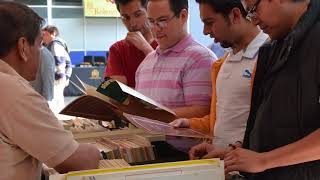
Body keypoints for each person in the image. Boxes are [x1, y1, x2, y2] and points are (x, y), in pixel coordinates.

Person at [192, 0, 320, 179]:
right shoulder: (274, 46)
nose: (253, 19)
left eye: (253, 9)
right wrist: (234, 152)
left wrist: (264, 160)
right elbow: (272, 124)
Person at [0, 2, 100, 180]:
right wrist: (95, 150)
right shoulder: (15, 92)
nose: (42, 53)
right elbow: (79, 162)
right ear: (23, 46)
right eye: (39, 45)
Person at [171, 0, 268, 151]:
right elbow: (224, 117)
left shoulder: (270, 57)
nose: (205, 31)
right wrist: (190, 124)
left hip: (254, 169)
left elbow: (274, 127)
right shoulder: (222, 63)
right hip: (224, 166)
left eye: (209, 22)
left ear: (235, 15)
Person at [135, 0, 216, 119]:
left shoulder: (200, 58)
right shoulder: (146, 62)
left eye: (162, 21)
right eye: (151, 22)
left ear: (183, 16)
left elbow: (202, 113)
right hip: (145, 137)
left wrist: (148, 115)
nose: (155, 29)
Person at [105, 0, 158, 88]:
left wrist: (145, 48)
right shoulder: (117, 49)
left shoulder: (166, 44)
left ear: (149, 12)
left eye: (138, 15)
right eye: (125, 17)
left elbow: (170, 83)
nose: (132, 24)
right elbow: (116, 93)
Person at [43, 25, 72, 113]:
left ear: (53, 34)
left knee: (54, 102)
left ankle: (57, 122)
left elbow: (59, 62)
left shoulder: (55, 44)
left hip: (56, 78)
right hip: (59, 77)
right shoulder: (55, 44)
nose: (43, 37)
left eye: (45, 34)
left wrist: (58, 77)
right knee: (58, 101)